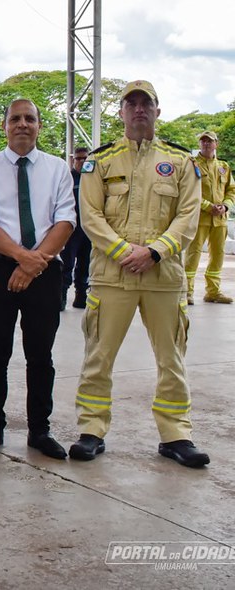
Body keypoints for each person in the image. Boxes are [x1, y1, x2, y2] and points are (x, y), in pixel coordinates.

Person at [71, 80, 209, 468]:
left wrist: (154, 251)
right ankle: (91, 429)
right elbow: (91, 216)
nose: (138, 110)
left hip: (163, 276)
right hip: (111, 275)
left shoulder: (182, 162)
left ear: (157, 111)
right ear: (121, 112)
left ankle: (176, 434)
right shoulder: (101, 161)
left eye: (145, 104)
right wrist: (123, 252)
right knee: (98, 354)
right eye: (130, 104)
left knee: (172, 358)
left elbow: (188, 216)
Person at [0, 99, 75, 459]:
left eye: (30, 118)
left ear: (39, 126)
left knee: (40, 355)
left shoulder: (58, 168)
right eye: (15, 118)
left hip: (44, 270)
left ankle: (39, 431)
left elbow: (66, 220)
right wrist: (21, 257)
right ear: (5, 126)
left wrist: (34, 263)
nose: (23, 124)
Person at [185, 130, 234, 305]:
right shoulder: (191, 164)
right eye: (203, 141)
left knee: (218, 255)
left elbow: (231, 190)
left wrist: (225, 205)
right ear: (199, 144)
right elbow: (188, 191)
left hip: (220, 220)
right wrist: (207, 206)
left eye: (210, 141)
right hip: (199, 219)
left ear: (216, 144)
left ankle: (213, 292)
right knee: (193, 254)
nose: (206, 144)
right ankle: (187, 292)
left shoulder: (224, 166)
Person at [60, 146, 92, 310]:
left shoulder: (94, 178)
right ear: (73, 160)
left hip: (89, 230)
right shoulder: (67, 178)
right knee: (66, 263)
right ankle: (61, 296)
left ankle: (81, 296)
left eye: (85, 158)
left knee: (86, 264)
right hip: (71, 229)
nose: (82, 161)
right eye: (78, 158)